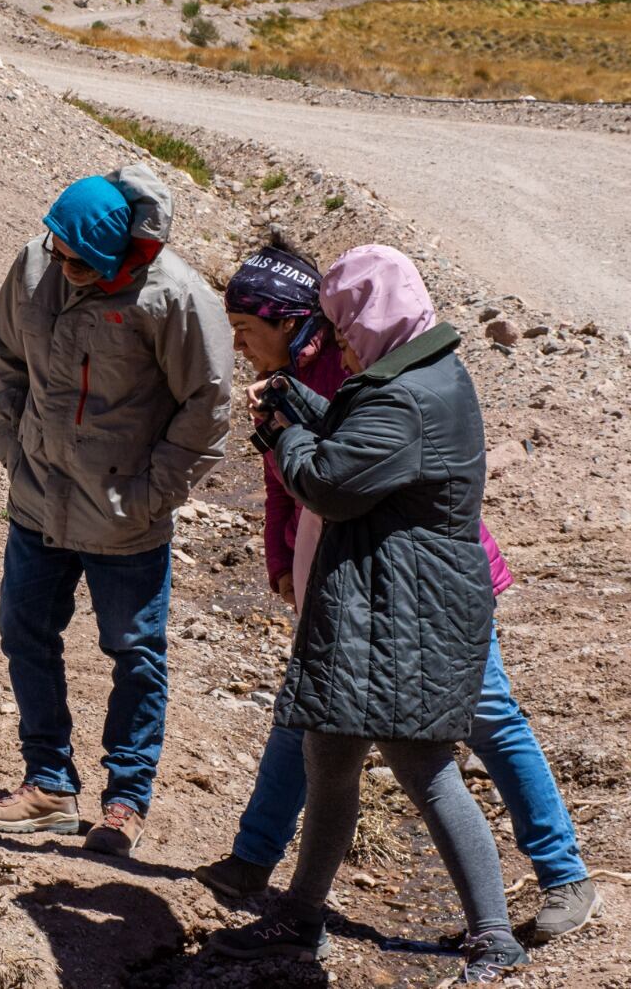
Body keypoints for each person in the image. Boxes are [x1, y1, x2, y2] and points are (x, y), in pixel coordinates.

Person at [195, 241, 599, 944]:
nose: (241, 346)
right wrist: (283, 556)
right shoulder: (386, 364)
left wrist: (283, 430)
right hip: (367, 590)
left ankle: (552, 884)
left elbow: (332, 477)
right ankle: (263, 870)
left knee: (465, 733)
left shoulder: (386, 375)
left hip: (417, 599)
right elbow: (322, 456)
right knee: (320, 731)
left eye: (247, 330)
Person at [0, 165, 234, 856]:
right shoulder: (36, 265)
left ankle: (125, 800)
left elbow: (207, 408)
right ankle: (50, 784)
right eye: (58, 252)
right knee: (24, 632)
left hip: (125, 517)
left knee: (135, 653)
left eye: (81, 263)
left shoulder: (174, 298)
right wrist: (13, 442)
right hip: (38, 500)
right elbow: (6, 357)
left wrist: (151, 493)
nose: (64, 269)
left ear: (121, 254)